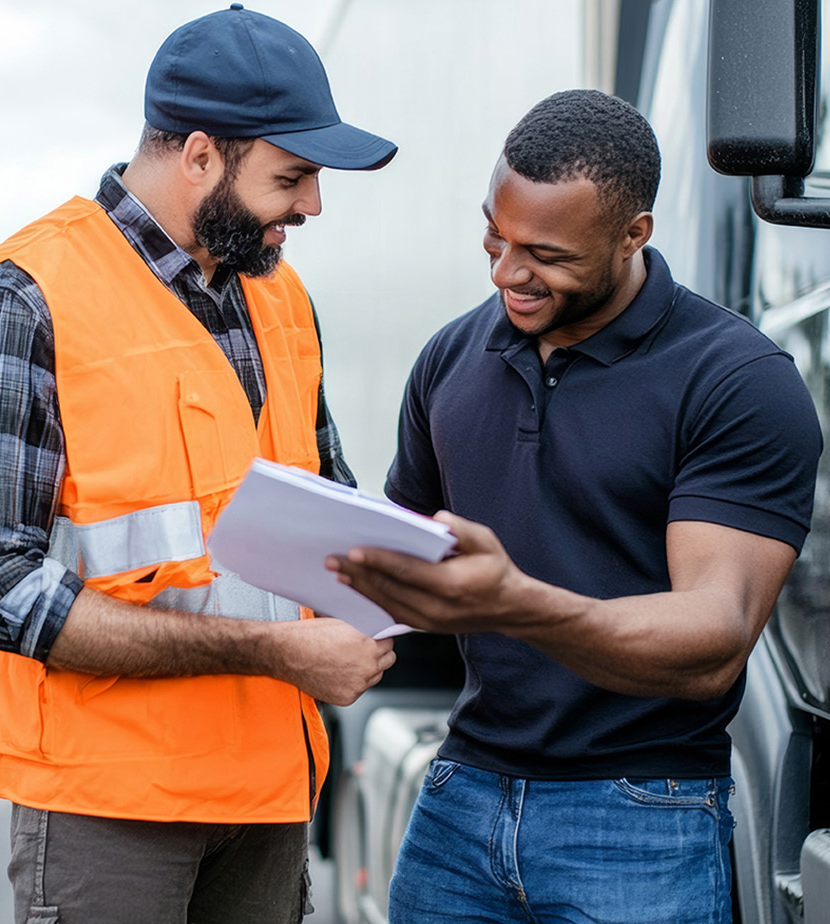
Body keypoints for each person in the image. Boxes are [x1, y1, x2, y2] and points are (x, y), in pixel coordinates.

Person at [0, 4, 398, 924]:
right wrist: (274, 650)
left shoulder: (278, 297)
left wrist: (408, 574)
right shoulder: (21, 300)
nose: (311, 206)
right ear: (201, 155)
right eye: (291, 177)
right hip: (113, 800)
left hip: (267, 791)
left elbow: (319, 498)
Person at [332, 89, 821, 922]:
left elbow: (713, 635)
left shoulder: (736, 381)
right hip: (459, 799)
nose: (504, 273)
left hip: (640, 816)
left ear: (634, 235)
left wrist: (518, 605)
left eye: (546, 254)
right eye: (494, 233)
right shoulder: (451, 356)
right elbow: (400, 564)